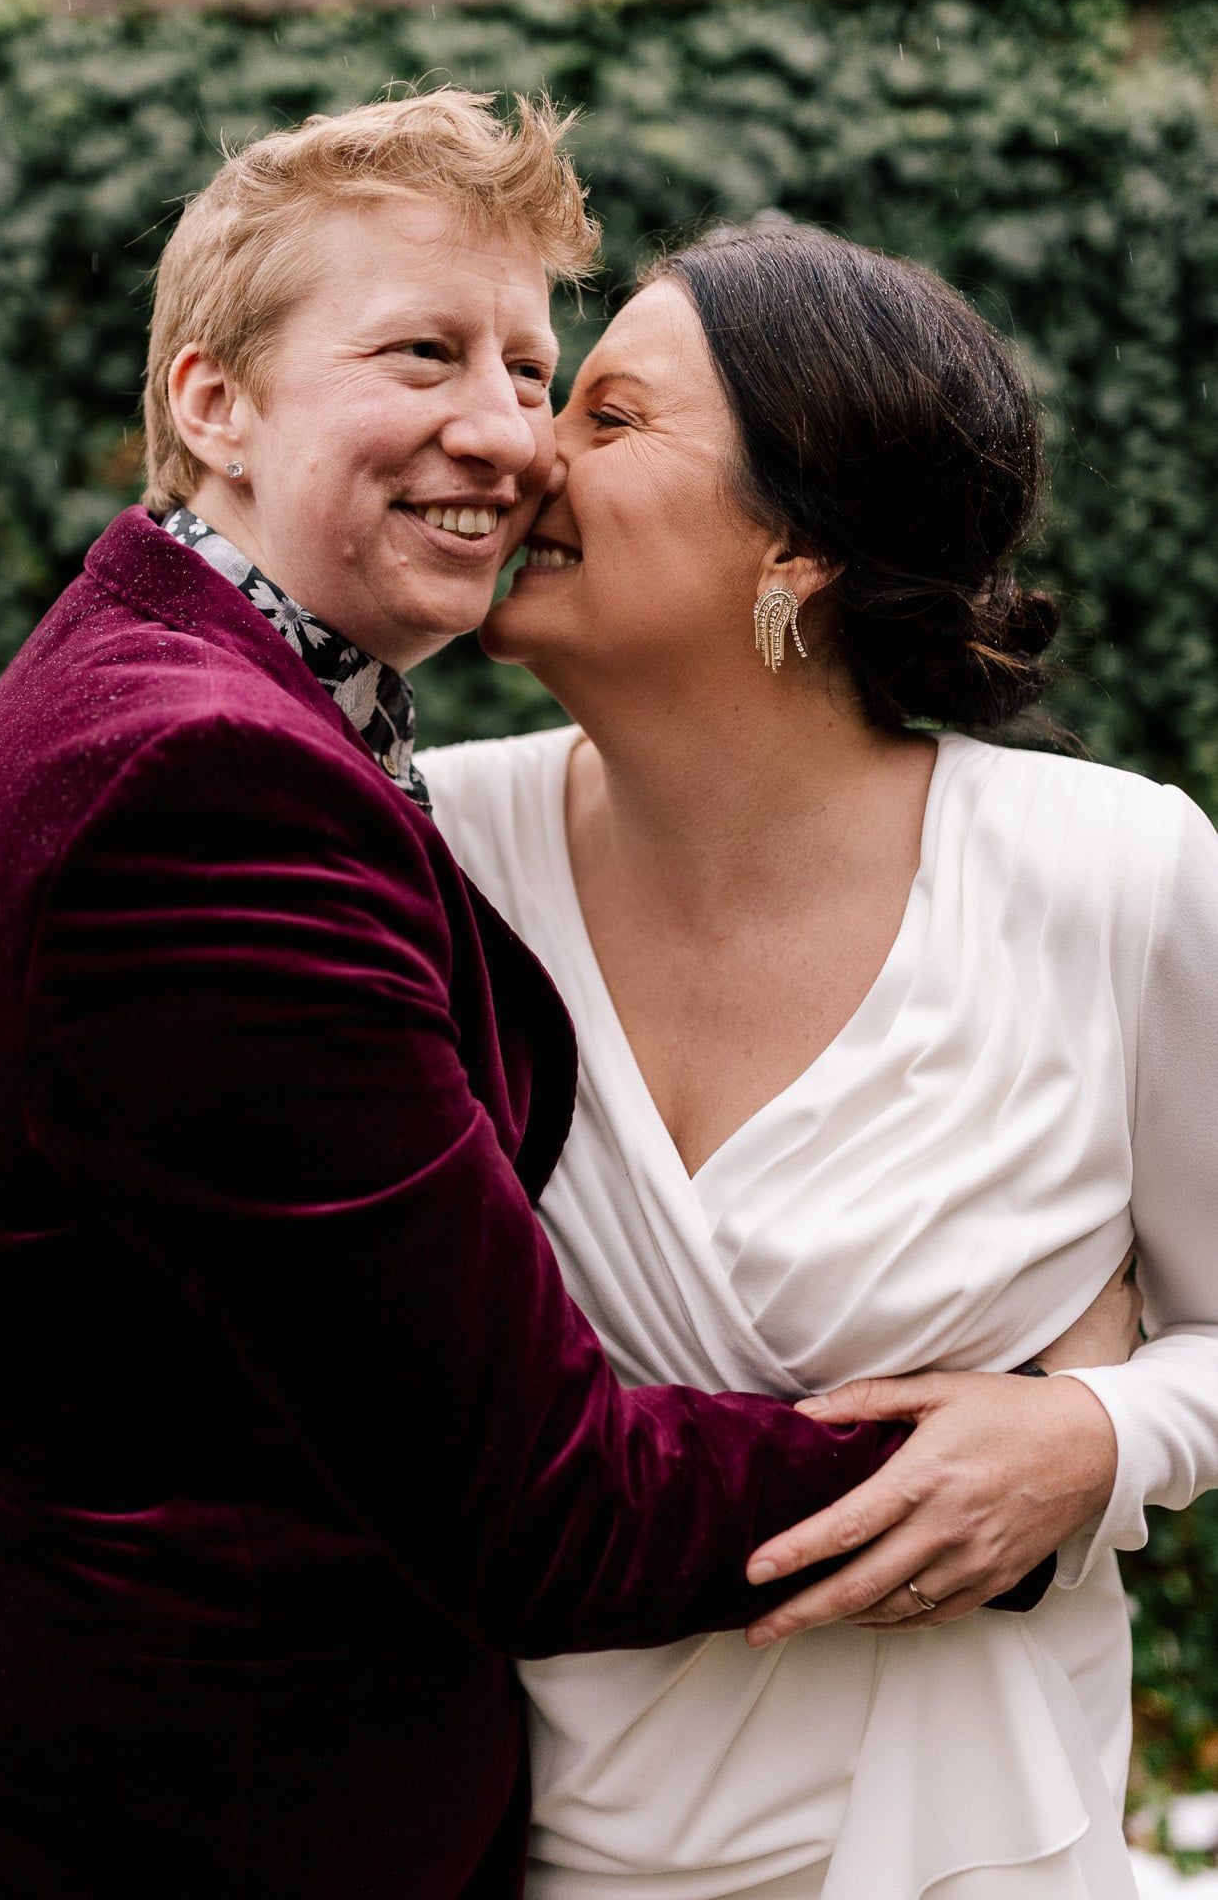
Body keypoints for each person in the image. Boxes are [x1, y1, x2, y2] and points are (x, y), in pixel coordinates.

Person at [0, 97, 1128, 1896]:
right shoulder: (208, 777)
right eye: (420, 354)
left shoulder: (263, 723)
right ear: (211, 402)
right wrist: (994, 1473)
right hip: (200, 1828)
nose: (505, 435)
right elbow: (536, 1502)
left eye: (534, 370)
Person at [407, 220, 1218, 1897]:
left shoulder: (1110, 874)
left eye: (609, 417)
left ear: (796, 542)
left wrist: (1099, 1434)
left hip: (958, 1846)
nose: (518, 449)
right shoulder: (426, 851)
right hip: (526, 1831)